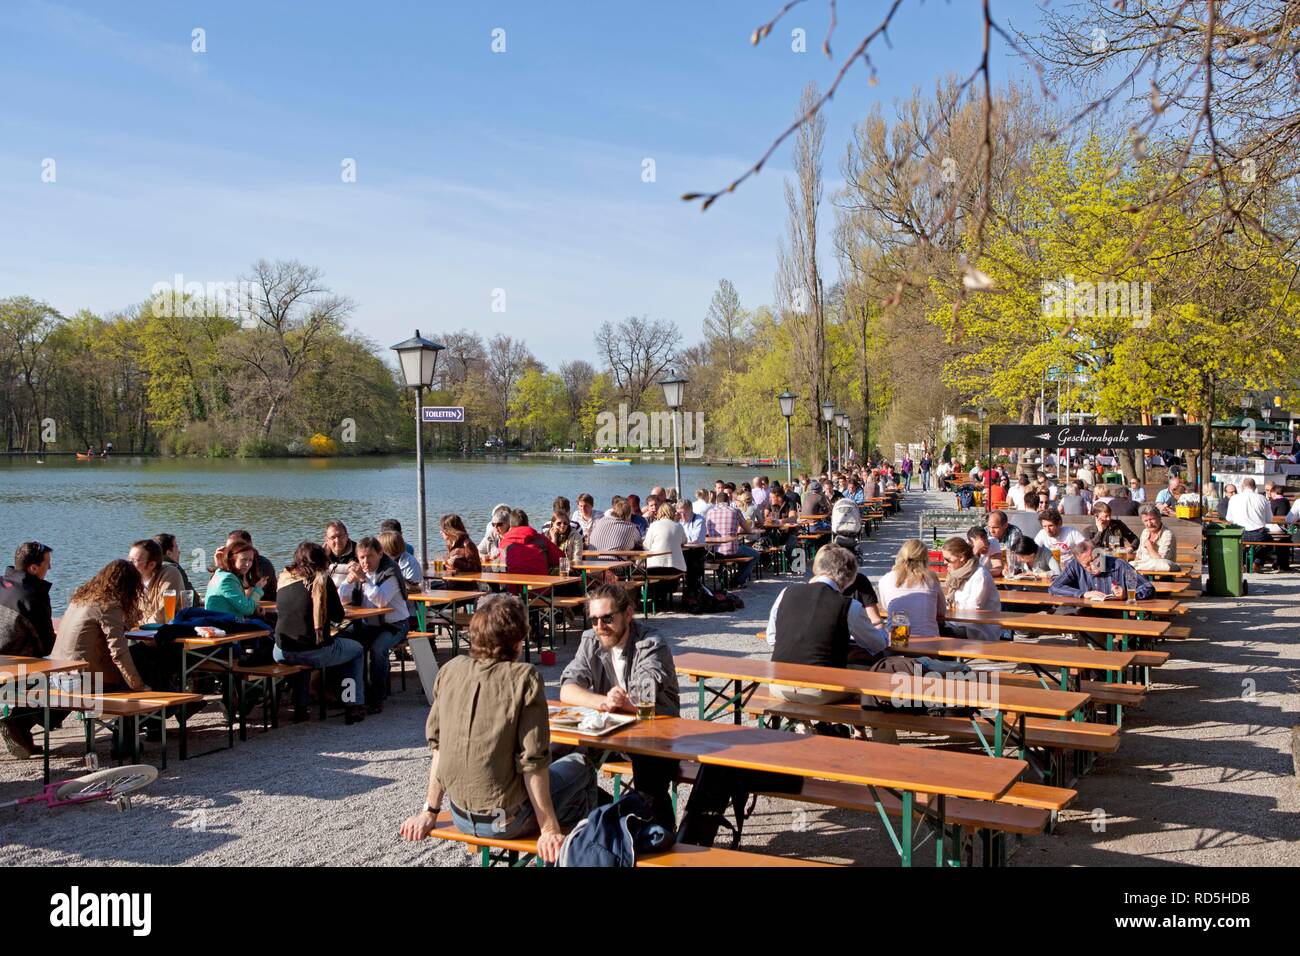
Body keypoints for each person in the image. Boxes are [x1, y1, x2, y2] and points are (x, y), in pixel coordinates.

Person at [400, 595, 599, 863]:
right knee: (582, 764)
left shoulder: (450, 671)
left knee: (559, 758)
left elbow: (440, 748)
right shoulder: (524, 678)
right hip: (508, 821)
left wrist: (430, 811)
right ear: (518, 640)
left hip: (460, 815)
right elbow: (533, 762)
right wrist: (549, 828)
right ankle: (586, 849)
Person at [558, 583, 680, 829]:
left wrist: (621, 701)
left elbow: (646, 693)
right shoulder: (591, 640)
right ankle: (611, 818)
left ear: (628, 614)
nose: (600, 627)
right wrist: (603, 701)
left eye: (607, 618)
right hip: (612, 731)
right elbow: (567, 689)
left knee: (650, 786)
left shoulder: (651, 642)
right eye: (594, 620)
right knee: (556, 758)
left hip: (655, 732)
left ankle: (662, 840)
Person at [765, 546, 889, 704]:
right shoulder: (849, 605)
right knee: (872, 677)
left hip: (779, 685)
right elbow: (878, 645)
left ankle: (813, 725)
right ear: (850, 578)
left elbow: (771, 638)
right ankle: (866, 726)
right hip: (820, 691)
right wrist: (881, 628)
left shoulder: (786, 592)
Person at [273, 542, 367, 724]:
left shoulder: (284, 579)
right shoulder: (322, 581)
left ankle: (301, 709)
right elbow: (338, 616)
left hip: (281, 651)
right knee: (356, 650)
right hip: (313, 650)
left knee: (303, 653)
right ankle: (353, 704)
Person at [51, 560, 151, 693]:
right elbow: (118, 652)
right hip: (83, 680)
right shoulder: (109, 606)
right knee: (143, 657)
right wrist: (138, 686)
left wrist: (129, 621)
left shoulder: (79, 600)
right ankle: (158, 706)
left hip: (57, 675)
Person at [339, 535, 412, 713]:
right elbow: (342, 598)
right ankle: (350, 695)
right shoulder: (359, 573)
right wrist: (349, 580)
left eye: (370, 556)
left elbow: (381, 600)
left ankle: (377, 697)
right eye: (362, 557)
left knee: (377, 650)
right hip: (367, 624)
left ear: (380, 554)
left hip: (395, 625)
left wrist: (363, 579)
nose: (366, 561)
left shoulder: (390, 572)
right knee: (342, 642)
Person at [877, 539, 945, 637]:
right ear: (926, 558)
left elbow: (886, 606)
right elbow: (941, 611)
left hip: (897, 641)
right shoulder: (931, 579)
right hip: (929, 643)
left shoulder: (886, 579)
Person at [939, 537, 1002, 640]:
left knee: (937, 633)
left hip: (978, 629)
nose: (945, 563)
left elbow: (972, 610)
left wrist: (949, 607)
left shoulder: (980, 575)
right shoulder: (957, 573)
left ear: (962, 557)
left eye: (948, 559)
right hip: (956, 623)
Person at [1049, 540, 1155, 601]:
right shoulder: (1075, 565)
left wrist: (1127, 594)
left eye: (1095, 560)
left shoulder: (1119, 564)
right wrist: (1083, 594)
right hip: (1088, 612)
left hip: (1117, 614)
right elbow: (1054, 587)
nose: (1093, 566)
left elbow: (1148, 588)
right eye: (1087, 565)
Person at [0, 541, 56, 655]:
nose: (50, 567)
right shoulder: (34, 597)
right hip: (17, 667)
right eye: (47, 563)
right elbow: (47, 646)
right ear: (34, 568)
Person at [705, 491, 758, 588]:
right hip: (732, 549)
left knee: (735, 554)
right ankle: (737, 580)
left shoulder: (710, 512)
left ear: (717, 502)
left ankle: (725, 581)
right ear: (728, 501)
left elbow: (707, 531)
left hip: (714, 551)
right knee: (755, 555)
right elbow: (748, 529)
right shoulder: (735, 511)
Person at [129, 538, 186, 624]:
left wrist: (139, 623)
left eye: (134, 561)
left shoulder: (170, 574)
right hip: (141, 633)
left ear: (151, 564)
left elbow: (162, 616)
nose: (129, 563)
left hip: (168, 633)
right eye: (129, 559)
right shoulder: (132, 580)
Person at [205, 540, 268, 617]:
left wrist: (255, 606)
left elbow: (241, 604)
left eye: (250, 560)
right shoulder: (227, 579)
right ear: (232, 559)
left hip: (222, 621)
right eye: (243, 559)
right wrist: (258, 589)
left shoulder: (220, 573)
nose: (247, 564)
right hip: (223, 625)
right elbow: (247, 609)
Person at [642, 502, 687, 602]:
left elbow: (646, 545)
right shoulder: (678, 526)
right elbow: (684, 541)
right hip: (675, 568)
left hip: (655, 567)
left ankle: (655, 597)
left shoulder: (654, 526)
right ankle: (664, 595)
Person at [1225, 477, 1273, 572]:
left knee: (1235, 544)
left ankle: (1241, 563)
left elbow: (1229, 518)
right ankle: (1257, 563)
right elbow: (1269, 519)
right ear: (1254, 487)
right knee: (1270, 542)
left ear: (1242, 486)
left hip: (1240, 533)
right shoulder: (1262, 499)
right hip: (1259, 534)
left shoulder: (1234, 498)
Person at [499, 509, 563, 579]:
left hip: (515, 587)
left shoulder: (504, 542)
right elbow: (561, 558)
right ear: (527, 523)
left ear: (510, 525)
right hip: (541, 587)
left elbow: (503, 563)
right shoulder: (541, 539)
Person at [378, 530, 424, 611]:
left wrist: (396, 579)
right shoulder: (381, 561)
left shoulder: (410, 562)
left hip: (410, 609)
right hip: (386, 605)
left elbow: (417, 590)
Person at [226, 530, 277, 602]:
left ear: (249, 545)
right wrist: (219, 564)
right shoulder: (232, 564)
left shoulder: (263, 564)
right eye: (227, 548)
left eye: (235, 547)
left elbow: (247, 598)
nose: (229, 552)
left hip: (265, 608)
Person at [1131, 504, 1180, 573]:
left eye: (1152, 519)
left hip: (1163, 576)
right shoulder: (1145, 532)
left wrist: (1149, 547)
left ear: (1159, 517)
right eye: (1146, 521)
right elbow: (1139, 555)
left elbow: (1161, 562)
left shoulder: (1167, 534)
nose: (1149, 523)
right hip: (1143, 572)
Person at [440, 514, 483, 586]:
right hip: (452, 582)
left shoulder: (467, 544)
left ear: (450, 530)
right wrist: (445, 565)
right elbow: (453, 567)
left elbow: (477, 569)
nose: (441, 532)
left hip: (464, 586)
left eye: (443, 529)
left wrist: (457, 562)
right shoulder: (451, 544)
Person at [324, 520, 358, 589]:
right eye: (333, 537)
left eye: (340, 536)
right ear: (326, 540)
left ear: (347, 536)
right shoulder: (319, 554)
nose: (337, 540)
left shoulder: (359, 551)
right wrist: (322, 558)